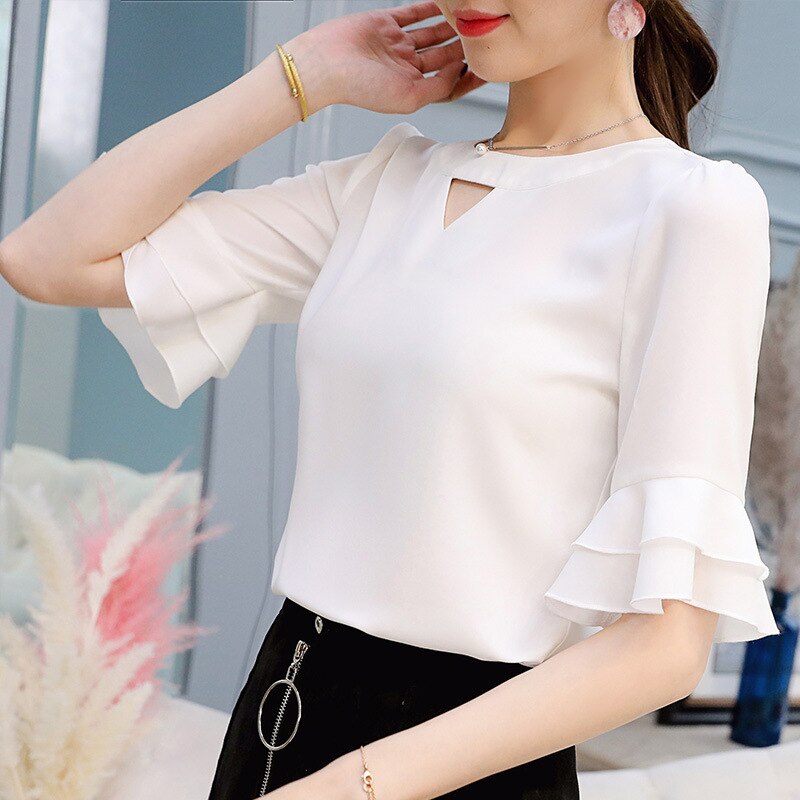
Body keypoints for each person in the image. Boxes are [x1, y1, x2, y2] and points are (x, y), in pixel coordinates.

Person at [0, 1, 781, 798]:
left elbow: (665, 648)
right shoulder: (387, 185)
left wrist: (353, 786)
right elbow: (45, 258)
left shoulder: (689, 207)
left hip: (466, 767)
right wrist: (301, 75)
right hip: (283, 718)